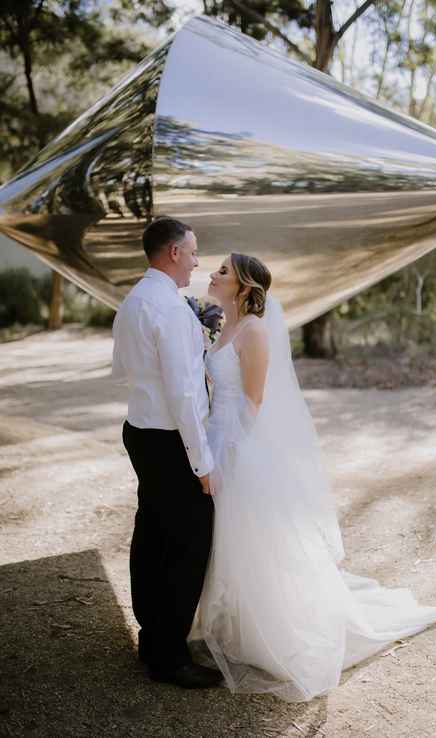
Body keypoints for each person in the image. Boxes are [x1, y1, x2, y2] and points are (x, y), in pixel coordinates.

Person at [196, 252, 436, 703]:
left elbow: (253, 403)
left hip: (239, 448)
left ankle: (272, 629)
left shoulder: (253, 332)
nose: (213, 275)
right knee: (227, 538)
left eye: (222, 272)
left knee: (255, 542)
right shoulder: (224, 327)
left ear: (244, 287)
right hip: (217, 438)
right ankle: (234, 617)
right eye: (215, 269)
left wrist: (226, 456)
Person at [112, 217, 223, 689]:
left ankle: (152, 637)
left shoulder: (134, 301)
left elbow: (121, 370)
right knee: (188, 545)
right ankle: (171, 657)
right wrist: (202, 465)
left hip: (139, 430)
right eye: (194, 252)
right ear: (174, 253)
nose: (198, 262)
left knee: (152, 533)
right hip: (170, 439)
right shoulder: (171, 311)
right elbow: (185, 397)